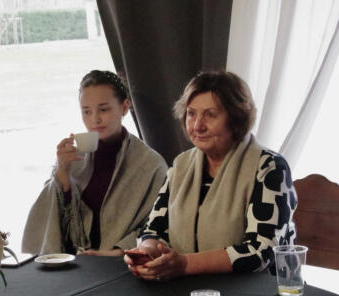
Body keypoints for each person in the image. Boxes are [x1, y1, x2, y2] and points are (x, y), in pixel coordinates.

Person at [125, 71, 297, 280]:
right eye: (191, 114)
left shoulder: (270, 167)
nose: (197, 126)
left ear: (236, 118)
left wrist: (185, 264)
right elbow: (153, 230)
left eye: (210, 115)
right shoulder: (181, 165)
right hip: (188, 288)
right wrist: (146, 253)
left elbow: (262, 251)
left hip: (259, 292)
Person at [22, 70, 168, 256]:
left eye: (103, 109)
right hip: (71, 263)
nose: (95, 119)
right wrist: (62, 174)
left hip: (122, 263)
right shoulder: (72, 158)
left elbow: (158, 226)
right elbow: (52, 224)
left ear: (124, 107)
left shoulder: (150, 164)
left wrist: (117, 252)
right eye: (86, 111)